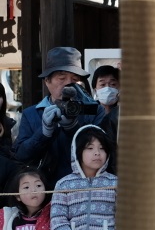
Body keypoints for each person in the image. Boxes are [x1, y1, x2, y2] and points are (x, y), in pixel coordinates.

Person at [15, 47, 109, 185]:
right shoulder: (31, 114)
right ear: (47, 81)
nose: (68, 84)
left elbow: (102, 152)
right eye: (61, 78)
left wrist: (73, 128)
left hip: (84, 188)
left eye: (74, 79)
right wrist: (44, 133)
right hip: (45, 191)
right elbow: (20, 156)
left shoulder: (94, 110)